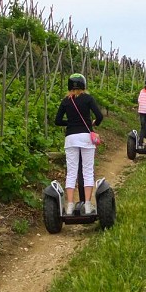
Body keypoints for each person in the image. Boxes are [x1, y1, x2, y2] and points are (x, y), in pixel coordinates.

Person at [54, 73, 104, 215]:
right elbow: (99, 116)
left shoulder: (65, 101)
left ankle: (69, 206)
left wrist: (70, 123)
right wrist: (93, 123)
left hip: (70, 138)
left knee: (71, 172)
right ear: (84, 85)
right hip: (86, 137)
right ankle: (88, 205)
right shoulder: (88, 99)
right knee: (88, 171)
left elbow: (57, 121)